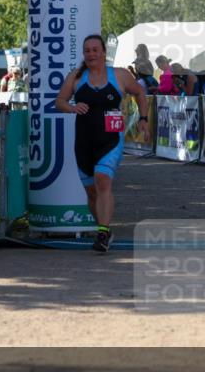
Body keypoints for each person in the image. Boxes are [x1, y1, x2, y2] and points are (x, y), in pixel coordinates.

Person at [55, 34, 150, 253]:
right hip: (83, 142)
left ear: (103, 52)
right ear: (83, 54)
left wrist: (143, 119)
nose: (91, 54)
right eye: (87, 50)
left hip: (110, 139)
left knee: (103, 179)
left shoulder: (119, 75)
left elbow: (140, 93)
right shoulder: (77, 77)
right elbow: (59, 101)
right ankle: (104, 230)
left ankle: (102, 233)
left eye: (95, 50)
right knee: (91, 192)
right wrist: (72, 107)